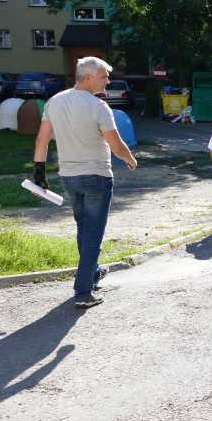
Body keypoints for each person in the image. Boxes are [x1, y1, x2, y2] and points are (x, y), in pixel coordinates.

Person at [33, 57, 137, 309]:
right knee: (93, 234)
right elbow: (116, 145)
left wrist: (39, 174)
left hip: (68, 177)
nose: (108, 81)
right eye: (104, 76)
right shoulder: (98, 106)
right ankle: (83, 292)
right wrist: (130, 159)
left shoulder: (54, 102)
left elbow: (42, 140)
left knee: (83, 228)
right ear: (88, 76)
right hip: (96, 178)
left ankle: (92, 273)